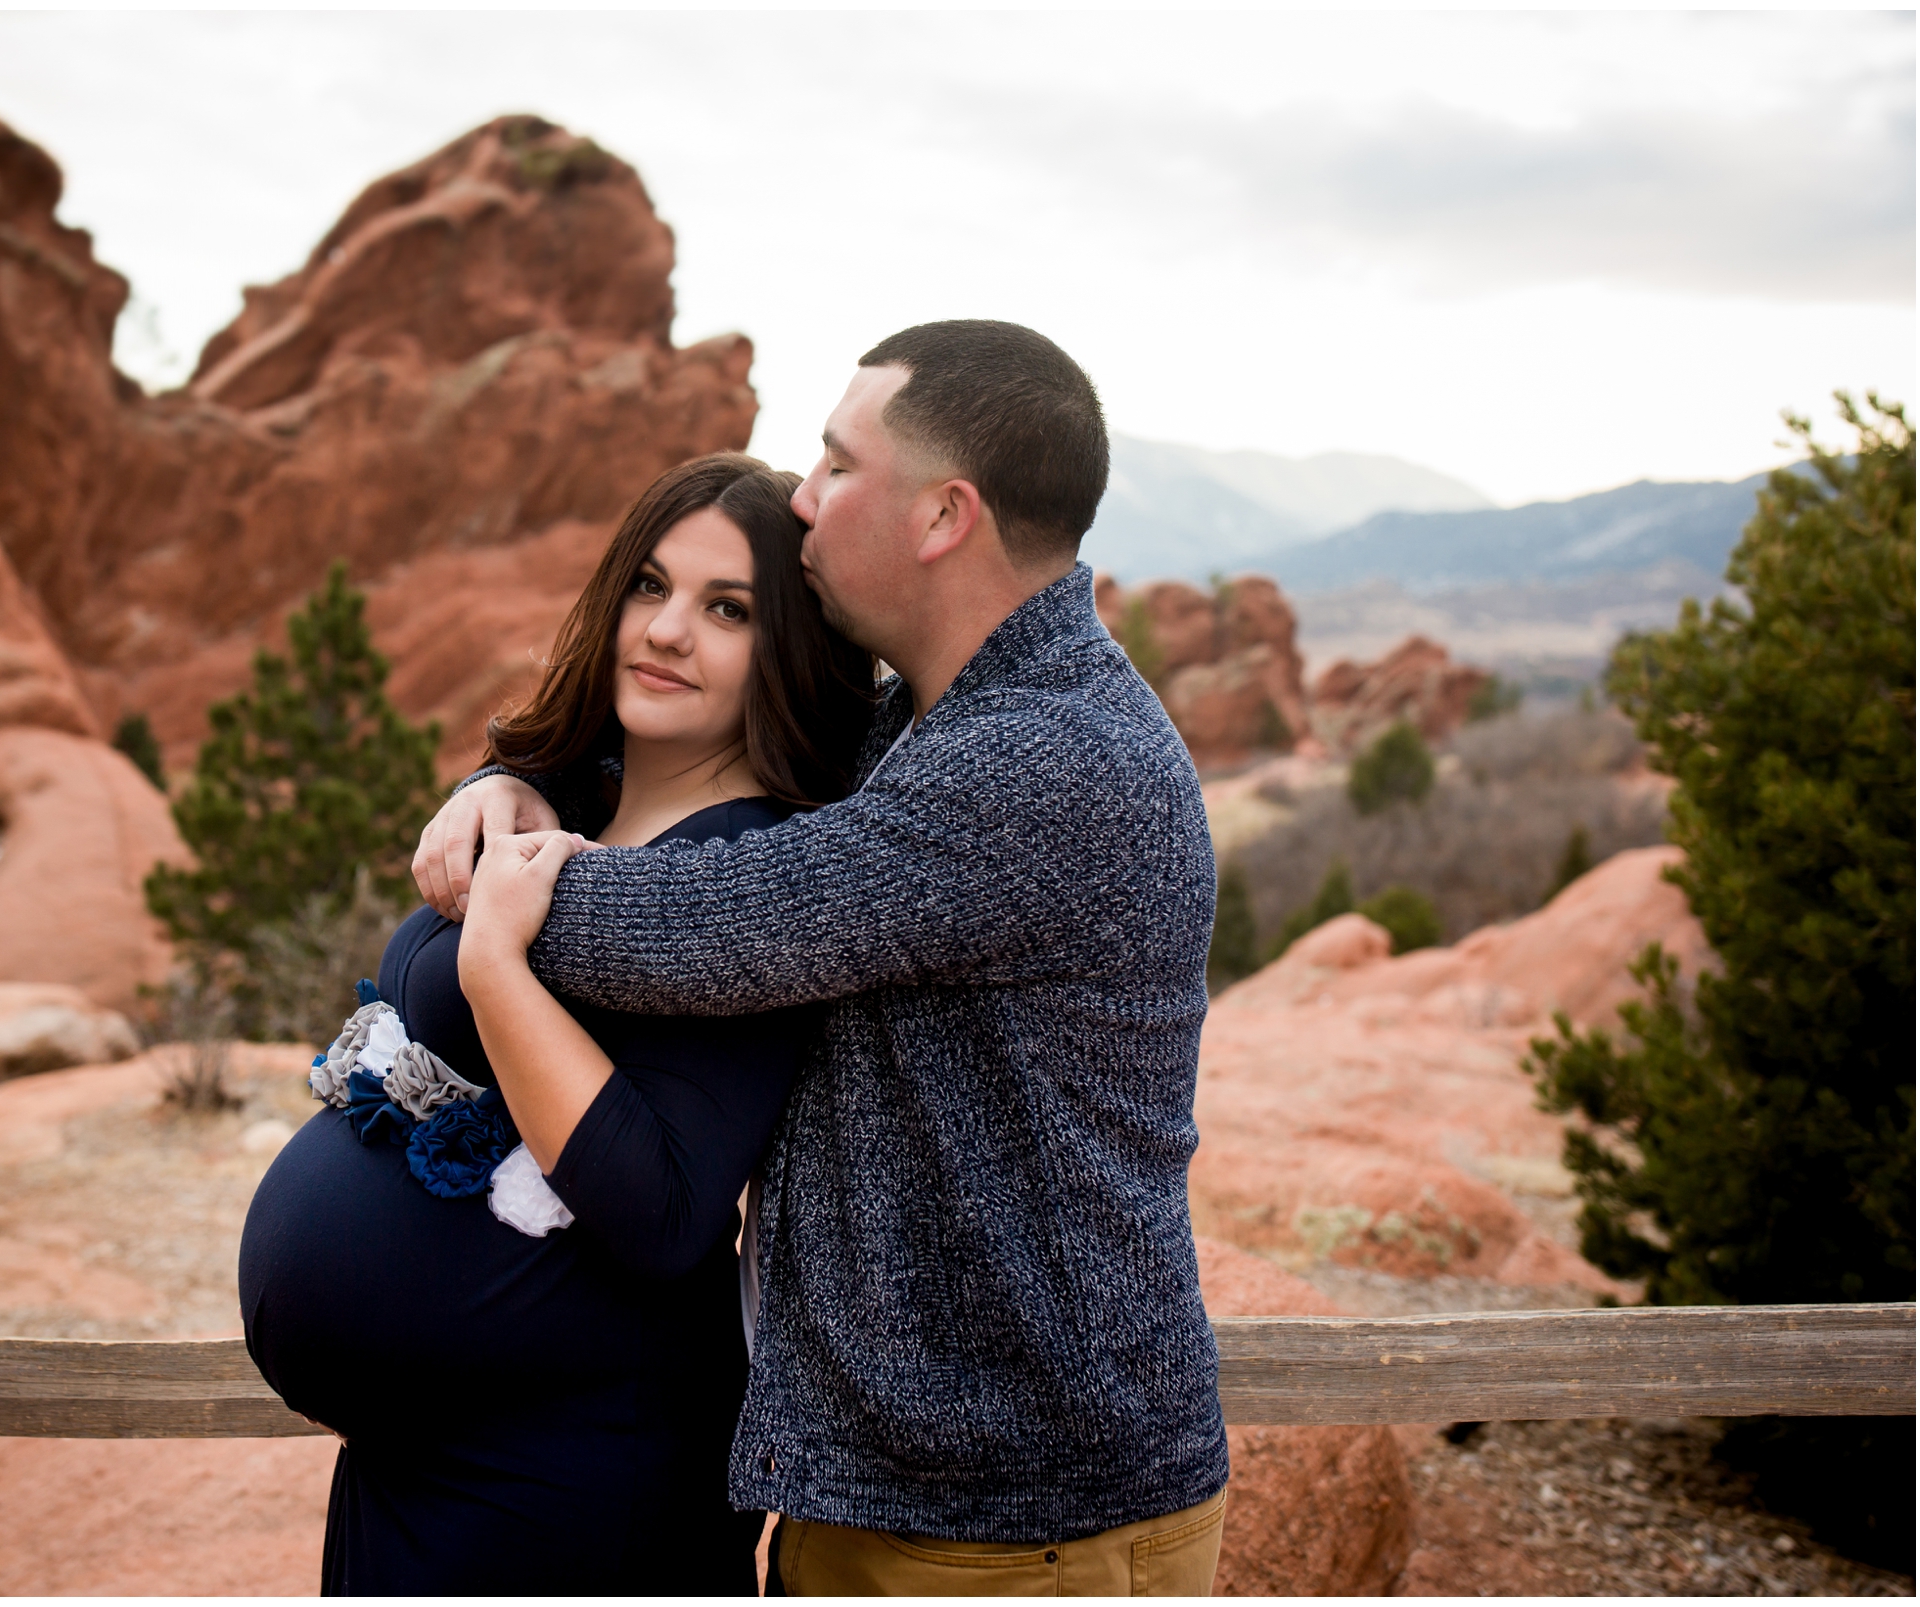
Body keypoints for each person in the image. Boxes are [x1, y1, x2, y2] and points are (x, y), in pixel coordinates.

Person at [424, 320, 1233, 1595]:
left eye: (837, 463)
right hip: (920, 1501)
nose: (802, 495)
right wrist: (510, 779)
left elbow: (703, 924)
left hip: (1013, 1527)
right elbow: (691, 749)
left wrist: (487, 903)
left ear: (941, 517)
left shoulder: (1043, 758)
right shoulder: (921, 716)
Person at [237, 451, 878, 1595]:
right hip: (423, 1460)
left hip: (572, 1482)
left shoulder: (750, 874)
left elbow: (671, 1206)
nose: (668, 629)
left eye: (727, 608)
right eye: (648, 584)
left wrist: (491, 965)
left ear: (787, 645)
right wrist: (500, 774)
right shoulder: (575, 794)